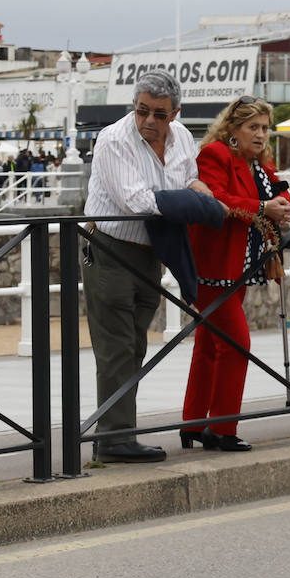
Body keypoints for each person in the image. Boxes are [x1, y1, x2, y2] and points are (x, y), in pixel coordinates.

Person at [82, 70, 218, 463]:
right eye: (142, 111)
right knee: (116, 348)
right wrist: (200, 206)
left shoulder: (184, 139)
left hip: (149, 252)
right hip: (109, 249)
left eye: (159, 114)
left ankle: (121, 431)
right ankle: (112, 438)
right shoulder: (113, 140)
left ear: (175, 113)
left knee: (135, 344)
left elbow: (191, 179)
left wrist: (204, 195)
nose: (148, 122)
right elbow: (136, 202)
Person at [180, 95, 290, 452]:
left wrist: (280, 201)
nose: (261, 135)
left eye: (264, 128)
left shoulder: (257, 162)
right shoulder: (214, 155)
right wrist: (263, 207)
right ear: (233, 129)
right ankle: (222, 428)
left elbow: (276, 187)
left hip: (238, 267)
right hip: (214, 267)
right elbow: (216, 198)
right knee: (235, 344)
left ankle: (194, 423)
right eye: (253, 128)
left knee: (210, 345)